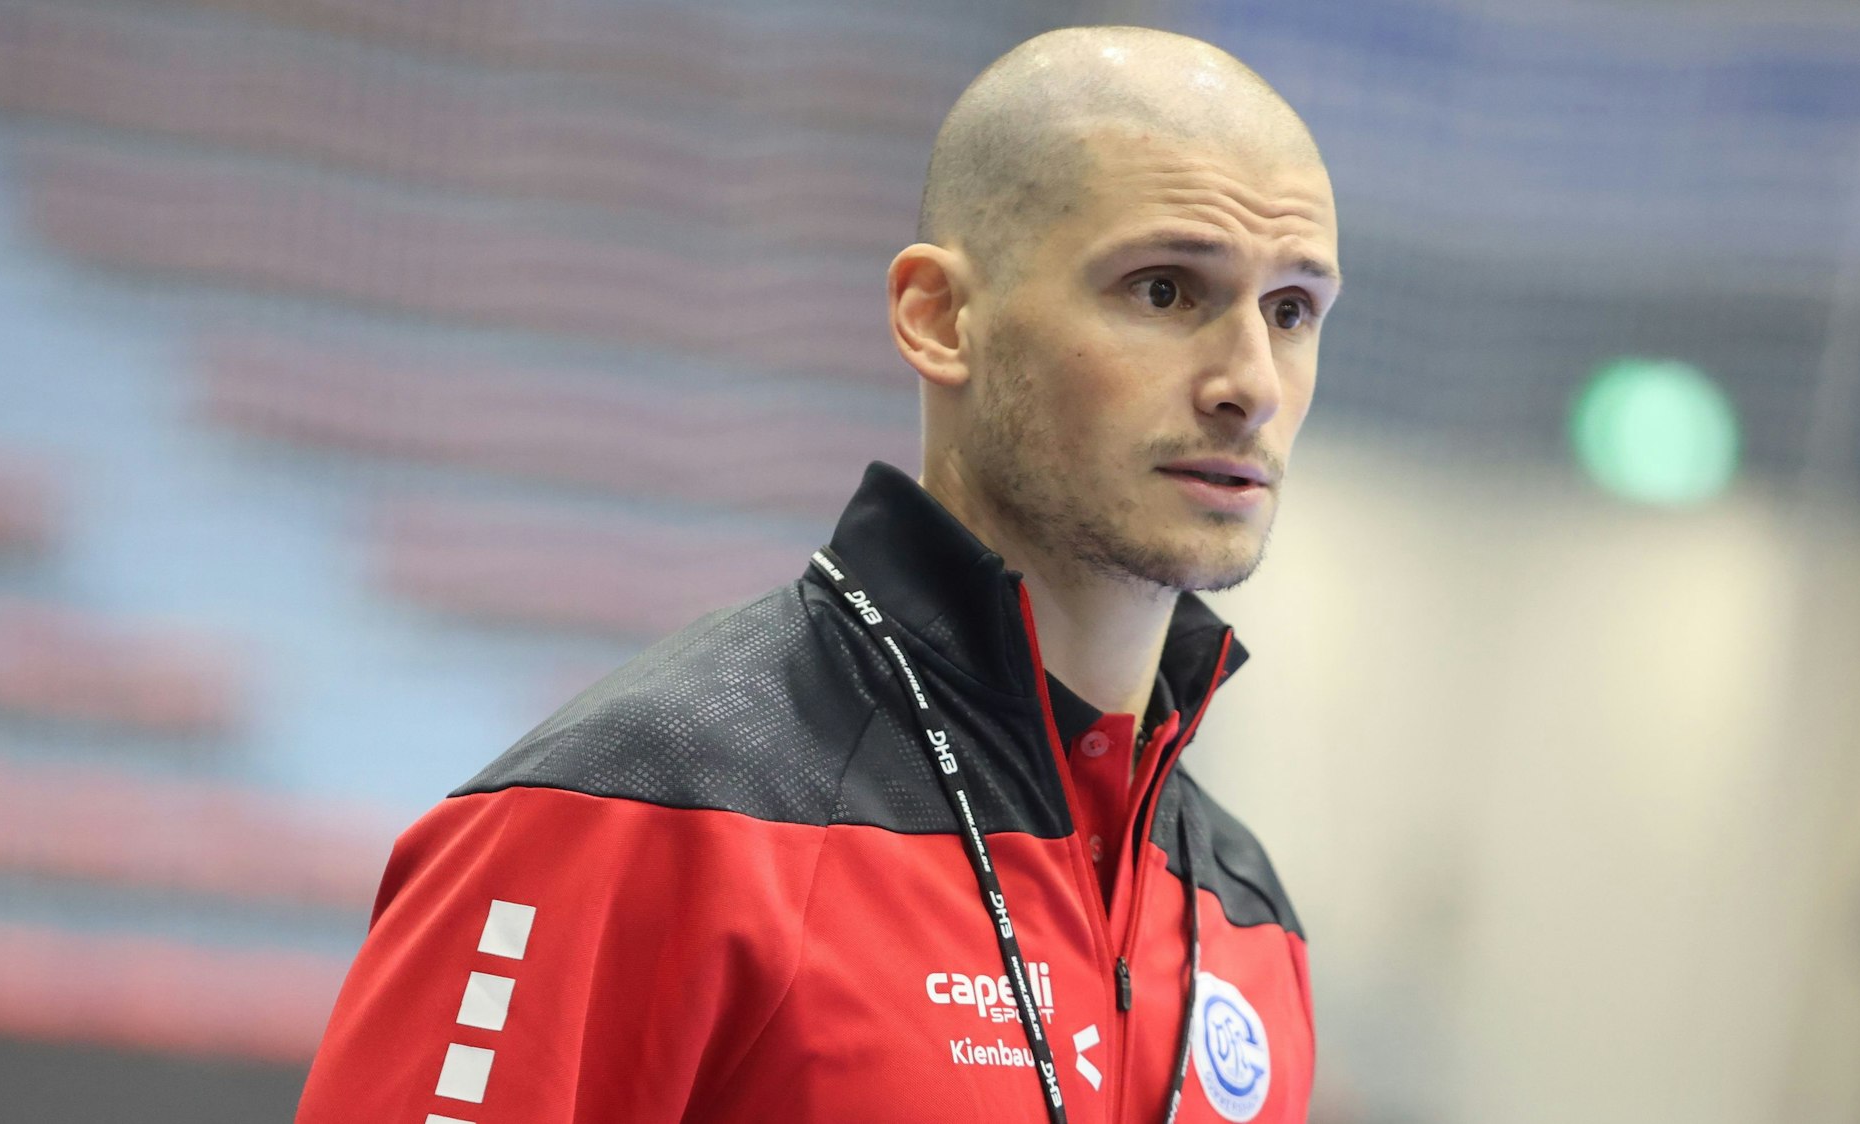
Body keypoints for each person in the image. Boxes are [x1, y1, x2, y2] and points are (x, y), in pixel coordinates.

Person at [297, 24, 1339, 1124]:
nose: (1250, 383)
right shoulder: (636, 809)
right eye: (1166, 290)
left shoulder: (1243, 907)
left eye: (1291, 311)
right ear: (938, 317)